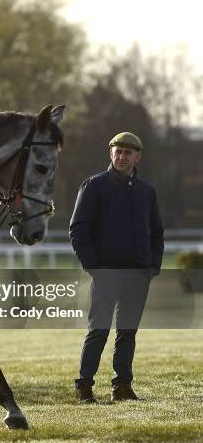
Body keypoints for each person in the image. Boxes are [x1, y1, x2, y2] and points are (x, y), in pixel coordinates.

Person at [69, 132, 164, 403]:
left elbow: (156, 232)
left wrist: (152, 266)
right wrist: (93, 266)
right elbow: (78, 230)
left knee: (127, 332)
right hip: (105, 272)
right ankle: (84, 387)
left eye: (127, 153)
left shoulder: (147, 191)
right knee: (98, 330)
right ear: (111, 154)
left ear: (137, 157)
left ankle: (122, 387)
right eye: (117, 151)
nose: (121, 157)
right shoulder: (94, 185)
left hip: (138, 273)